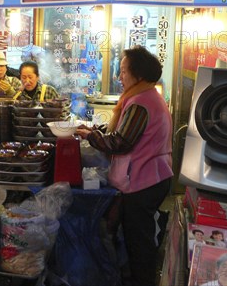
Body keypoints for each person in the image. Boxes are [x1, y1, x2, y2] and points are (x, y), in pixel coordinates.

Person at [76, 46, 173, 286]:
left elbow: (120, 143)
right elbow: (121, 133)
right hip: (150, 178)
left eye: (123, 71)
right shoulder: (146, 96)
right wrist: (94, 132)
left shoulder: (141, 102)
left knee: (138, 240)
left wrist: (90, 137)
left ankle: (143, 281)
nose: (120, 77)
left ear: (138, 75)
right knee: (137, 235)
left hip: (145, 181)